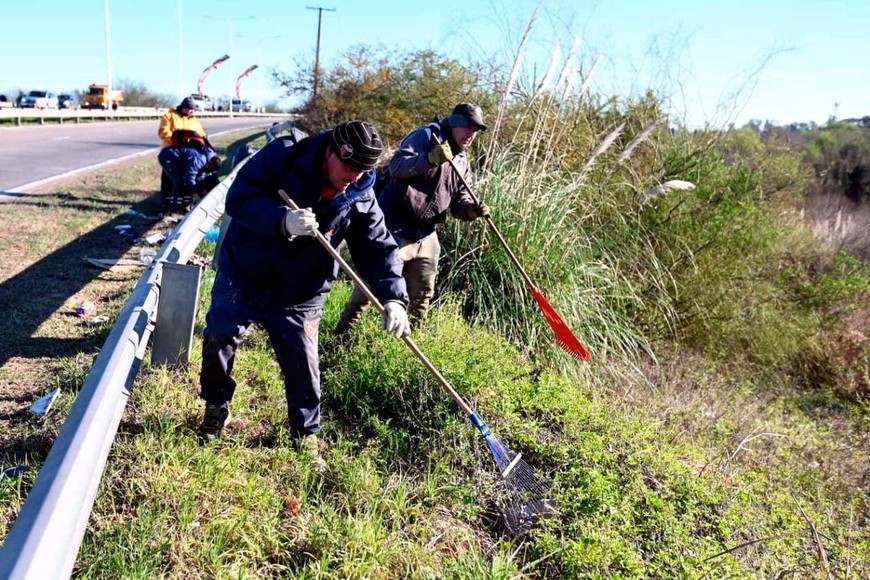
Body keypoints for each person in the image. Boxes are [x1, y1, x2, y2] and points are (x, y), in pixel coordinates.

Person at [196, 120, 411, 463]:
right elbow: (239, 198)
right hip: (245, 273)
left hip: (302, 289)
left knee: (303, 364)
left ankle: (305, 436)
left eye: (363, 171)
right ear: (331, 152)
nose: (354, 177)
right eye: (350, 167)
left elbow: (378, 248)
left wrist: (394, 298)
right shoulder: (284, 155)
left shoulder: (360, 193)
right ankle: (216, 407)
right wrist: (282, 220)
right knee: (219, 338)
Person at [335, 102, 490, 333]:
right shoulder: (425, 137)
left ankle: (413, 342)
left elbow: (459, 203)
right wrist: (430, 159)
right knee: (370, 287)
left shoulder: (461, 160)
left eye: (476, 130)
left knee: (422, 295)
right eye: (468, 127)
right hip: (394, 226)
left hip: (426, 233)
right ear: (456, 124)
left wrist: (471, 210)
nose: (471, 134)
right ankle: (341, 336)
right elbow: (397, 167)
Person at [157, 97, 207, 211]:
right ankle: (166, 204)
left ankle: (184, 205)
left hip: (186, 156)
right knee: (169, 180)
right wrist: (176, 141)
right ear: (184, 107)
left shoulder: (194, 120)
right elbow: (163, 131)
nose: (192, 111)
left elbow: (202, 136)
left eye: (194, 109)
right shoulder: (170, 115)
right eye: (191, 109)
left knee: (184, 180)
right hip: (170, 152)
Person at [157, 132, 221, 214]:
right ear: (210, 164)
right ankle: (174, 209)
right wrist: (194, 192)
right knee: (179, 181)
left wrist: (201, 192)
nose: (210, 172)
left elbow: (200, 177)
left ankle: (184, 206)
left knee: (186, 183)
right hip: (167, 157)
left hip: (178, 160)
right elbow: (190, 177)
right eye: (211, 170)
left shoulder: (209, 158)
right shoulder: (199, 161)